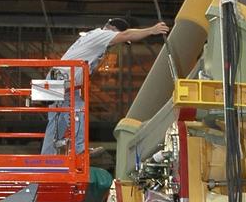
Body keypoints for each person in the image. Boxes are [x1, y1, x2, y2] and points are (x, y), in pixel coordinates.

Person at [41, 16, 170, 155]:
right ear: (113, 30)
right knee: (68, 116)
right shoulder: (102, 35)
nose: (116, 44)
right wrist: (152, 30)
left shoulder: (96, 40)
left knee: (65, 119)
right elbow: (126, 35)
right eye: (118, 39)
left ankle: (63, 153)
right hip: (61, 79)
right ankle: (71, 151)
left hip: (62, 80)